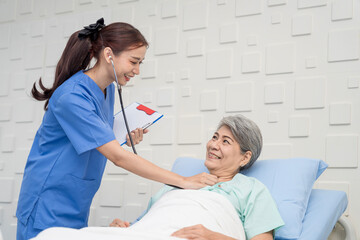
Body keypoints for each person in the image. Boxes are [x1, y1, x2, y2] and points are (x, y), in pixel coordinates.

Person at [16, 18, 218, 240]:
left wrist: (122, 136)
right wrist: (182, 180)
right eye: (134, 61)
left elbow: (91, 133)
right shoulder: (72, 96)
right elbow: (117, 158)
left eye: (140, 63)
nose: (137, 70)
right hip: (48, 198)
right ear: (109, 55)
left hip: (76, 197)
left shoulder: (107, 90)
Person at [110, 114, 284, 240]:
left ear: (245, 157)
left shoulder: (252, 189)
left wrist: (211, 236)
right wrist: (125, 229)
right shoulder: (176, 184)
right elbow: (154, 222)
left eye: (225, 141)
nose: (214, 145)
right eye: (214, 137)